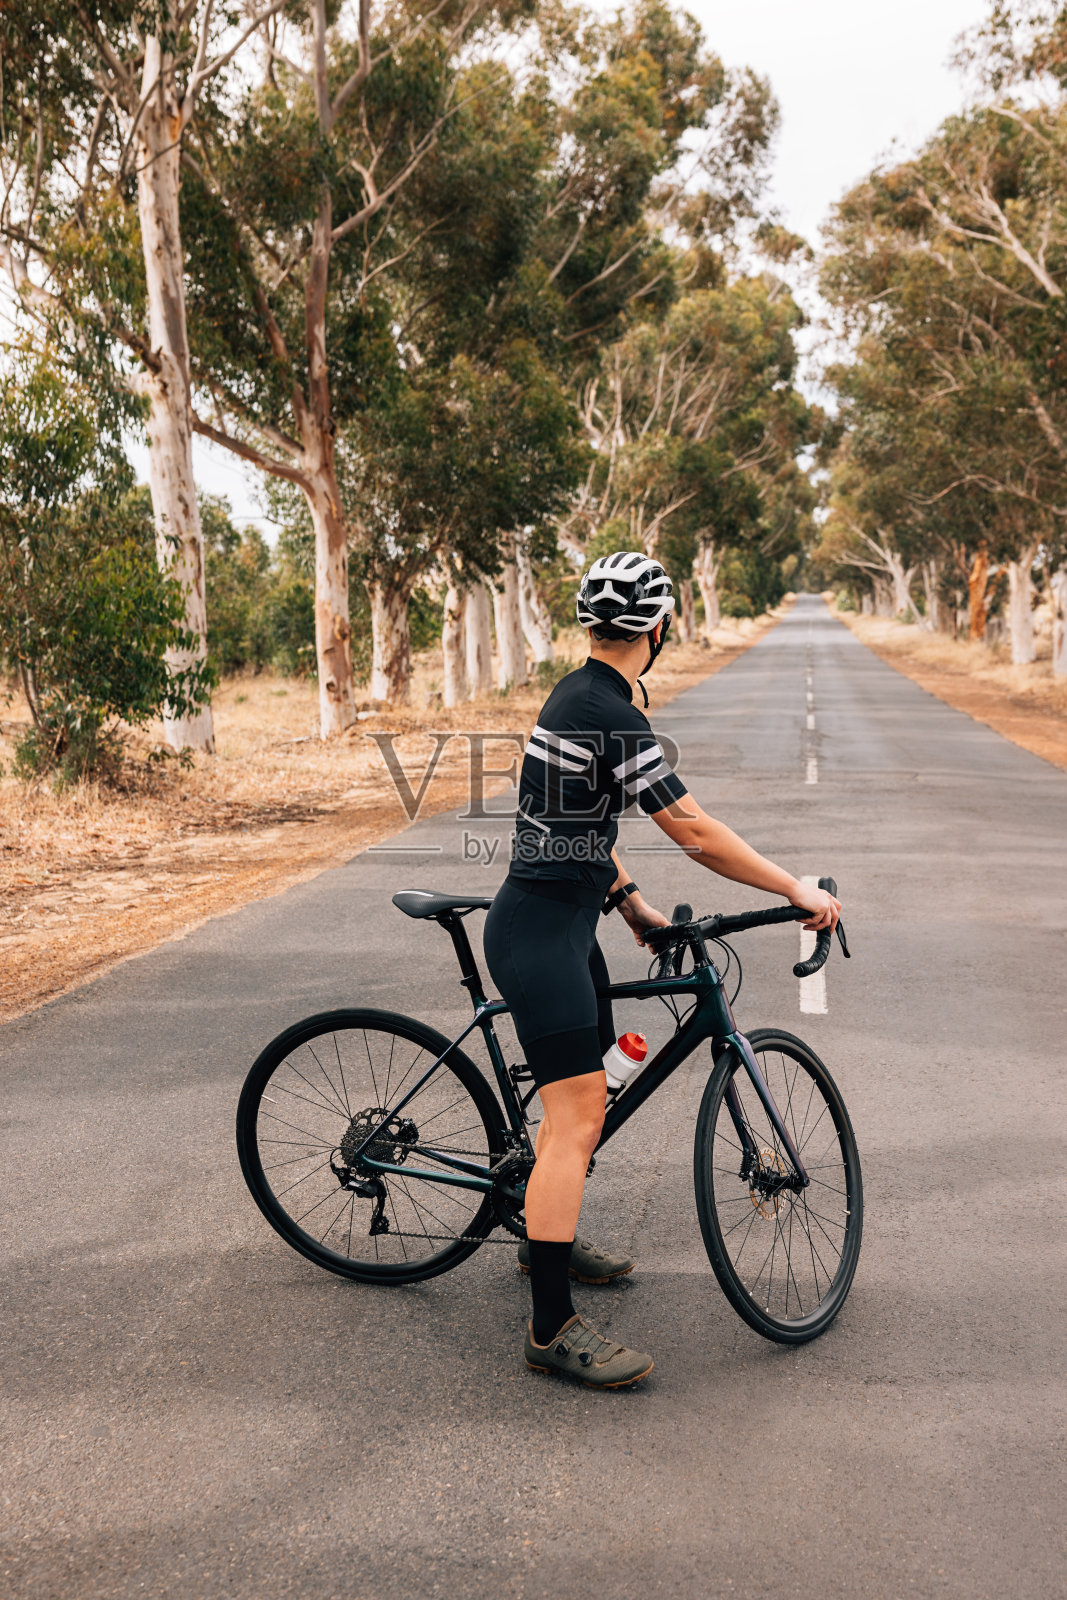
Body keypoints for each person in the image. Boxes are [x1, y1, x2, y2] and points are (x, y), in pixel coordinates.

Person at [482, 552, 840, 1388]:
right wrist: (793, 887)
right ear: (657, 627)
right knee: (573, 1119)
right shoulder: (607, 711)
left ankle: (547, 1234)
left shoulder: (580, 698)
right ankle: (548, 1327)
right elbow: (693, 829)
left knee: (586, 1100)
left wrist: (631, 903)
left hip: (563, 927)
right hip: (537, 936)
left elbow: (574, 825)